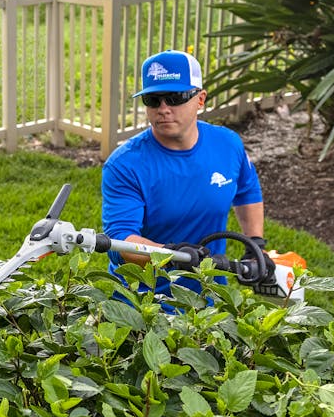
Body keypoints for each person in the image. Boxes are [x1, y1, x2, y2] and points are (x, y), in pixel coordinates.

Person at [101, 49, 270, 300]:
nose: (163, 108)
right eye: (153, 100)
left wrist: (255, 244)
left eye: (175, 97)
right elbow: (119, 242)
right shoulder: (125, 165)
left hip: (208, 294)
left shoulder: (227, 144)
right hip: (142, 301)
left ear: (200, 99)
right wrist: (171, 255)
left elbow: (247, 190)